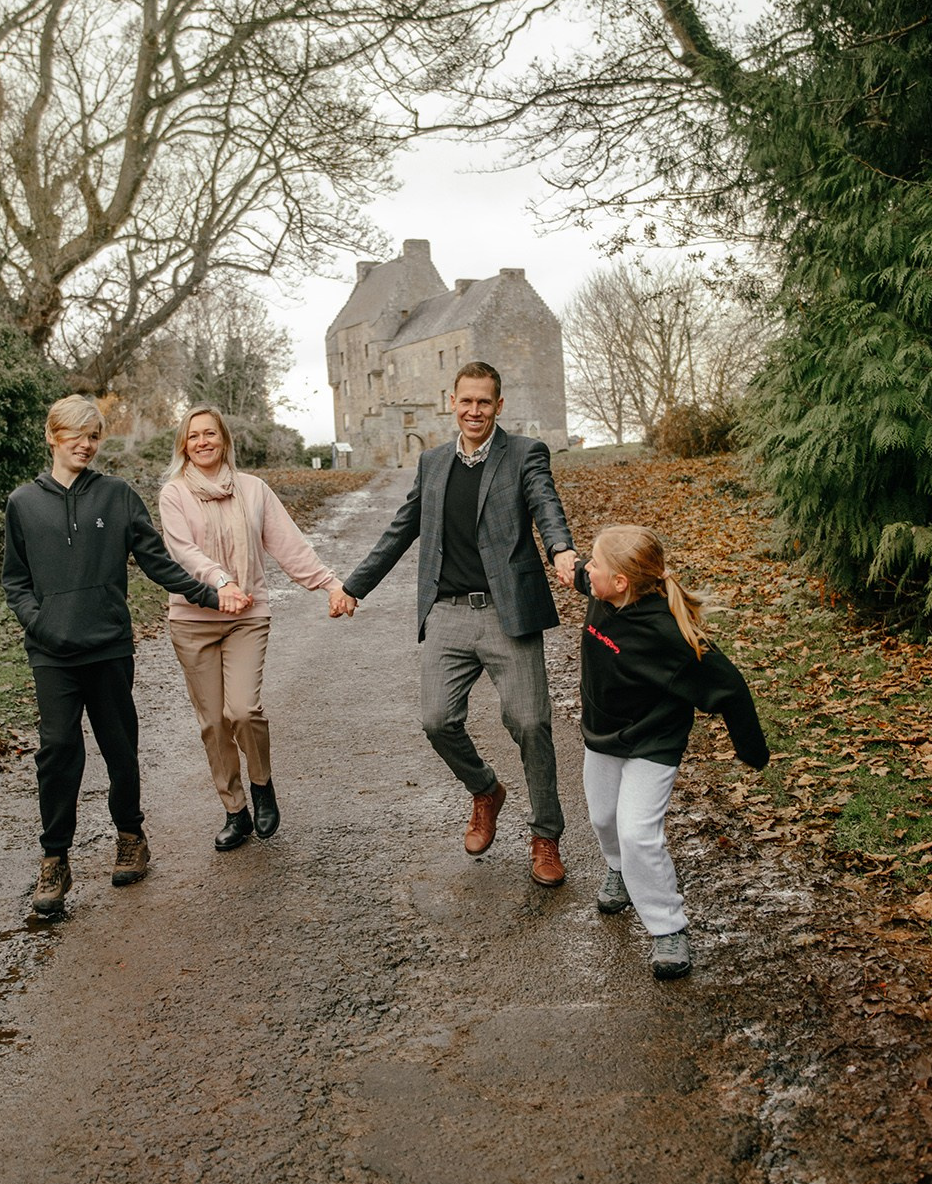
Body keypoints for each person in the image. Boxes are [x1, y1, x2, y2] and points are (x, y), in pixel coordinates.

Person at [332, 362, 579, 885]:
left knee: (531, 723)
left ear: (499, 405)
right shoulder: (433, 462)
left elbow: (546, 504)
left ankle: (545, 837)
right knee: (437, 721)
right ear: (452, 401)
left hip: (505, 611)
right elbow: (401, 530)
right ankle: (486, 789)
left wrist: (561, 549)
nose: (474, 411)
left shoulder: (525, 455)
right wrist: (354, 587)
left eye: (484, 403)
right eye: (466, 402)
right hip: (446, 611)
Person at [3, 394, 250, 916]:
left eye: (94, 435)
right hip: (51, 653)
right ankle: (54, 858)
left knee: (120, 746)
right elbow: (16, 581)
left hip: (108, 646)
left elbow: (158, 561)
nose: (86, 444)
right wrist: (40, 622)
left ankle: (130, 836)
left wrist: (211, 593)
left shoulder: (117, 496)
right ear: (52, 435)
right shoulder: (23, 503)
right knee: (57, 751)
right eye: (76, 434)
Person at [575, 524, 769, 979]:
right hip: (602, 734)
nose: (589, 569)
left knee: (638, 832)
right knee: (604, 818)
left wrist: (752, 750)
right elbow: (575, 571)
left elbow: (730, 688)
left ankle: (667, 929)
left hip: (653, 742)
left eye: (596, 563)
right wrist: (561, 554)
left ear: (621, 581)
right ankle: (620, 871)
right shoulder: (601, 592)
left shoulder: (668, 635)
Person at [158, 403, 349, 851]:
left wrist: (329, 583)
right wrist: (221, 580)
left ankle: (261, 784)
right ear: (184, 445)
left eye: (210, 433)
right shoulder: (174, 494)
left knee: (241, 711)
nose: (202, 442)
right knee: (212, 724)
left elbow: (289, 545)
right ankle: (235, 810)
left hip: (246, 616)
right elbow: (183, 551)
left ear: (224, 438)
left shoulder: (254, 489)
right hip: (193, 620)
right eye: (193, 436)